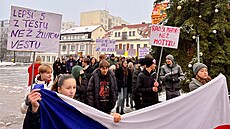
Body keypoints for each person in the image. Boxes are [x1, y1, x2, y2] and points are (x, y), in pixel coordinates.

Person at [23, 74, 121, 129]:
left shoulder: (80, 106)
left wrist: (110, 118)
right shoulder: (46, 105)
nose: (72, 91)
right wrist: (34, 109)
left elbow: (94, 118)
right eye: (68, 88)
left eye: (74, 87)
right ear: (59, 89)